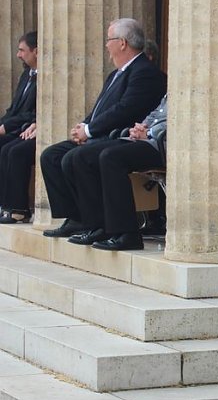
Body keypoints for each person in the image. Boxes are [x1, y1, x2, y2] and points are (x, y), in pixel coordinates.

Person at [40, 18, 167, 239]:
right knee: (51, 155)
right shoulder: (115, 74)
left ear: (123, 43)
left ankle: (98, 224)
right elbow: (100, 108)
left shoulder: (143, 71)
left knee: (76, 158)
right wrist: (84, 126)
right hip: (100, 134)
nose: (106, 45)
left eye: (109, 40)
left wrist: (90, 131)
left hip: (117, 135)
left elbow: (125, 110)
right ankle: (76, 217)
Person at [64, 94, 167, 250]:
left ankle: (128, 234)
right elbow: (156, 113)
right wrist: (140, 128)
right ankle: (99, 227)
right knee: (82, 156)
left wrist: (150, 132)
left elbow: (184, 118)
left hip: (164, 145)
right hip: (146, 139)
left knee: (111, 157)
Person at [0, 31, 38, 223]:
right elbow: (13, 109)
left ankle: (18, 209)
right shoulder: (26, 75)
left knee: (12, 151)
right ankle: (4, 205)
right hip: (19, 127)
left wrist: (6, 127)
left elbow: (34, 112)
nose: (18, 55)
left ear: (36, 51)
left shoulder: (45, 78)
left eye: (22, 50)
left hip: (29, 129)